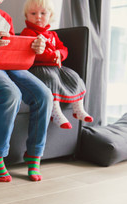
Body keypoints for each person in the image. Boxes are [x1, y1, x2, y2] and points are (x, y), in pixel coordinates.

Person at [0, 0, 53, 182]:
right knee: (11, 93)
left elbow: (13, 48)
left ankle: (34, 154)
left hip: (11, 62)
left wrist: (35, 48)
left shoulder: (5, 18)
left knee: (44, 94)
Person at [20, 0, 93, 129]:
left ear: (50, 16)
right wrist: (53, 56)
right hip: (39, 68)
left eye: (43, 13)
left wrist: (60, 53)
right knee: (51, 80)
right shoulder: (28, 33)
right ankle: (55, 112)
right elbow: (36, 54)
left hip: (55, 67)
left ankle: (78, 108)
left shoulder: (53, 35)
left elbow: (63, 48)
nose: (38, 16)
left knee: (74, 76)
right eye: (33, 13)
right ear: (27, 16)